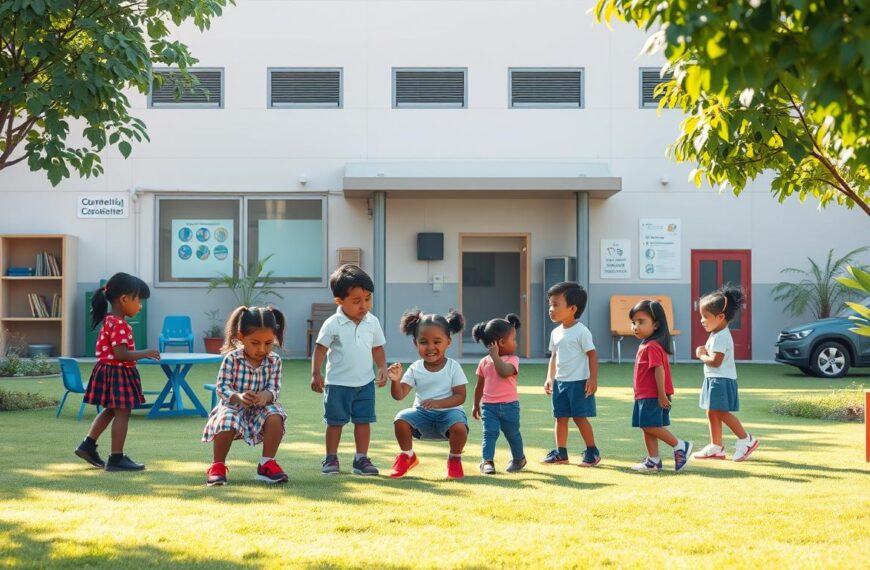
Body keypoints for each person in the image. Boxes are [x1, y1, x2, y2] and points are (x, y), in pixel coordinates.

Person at [74, 273, 159, 472]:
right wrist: (145, 353)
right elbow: (121, 354)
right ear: (124, 299)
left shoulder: (110, 320)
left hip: (108, 370)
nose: (140, 306)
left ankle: (87, 445)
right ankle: (117, 458)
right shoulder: (120, 324)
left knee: (111, 409)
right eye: (138, 300)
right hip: (117, 372)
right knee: (123, 412)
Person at [311, 264, 388, 476]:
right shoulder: (332, 323)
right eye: (356, 301)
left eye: (367, 299)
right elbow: (320, 349)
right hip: (337, 384)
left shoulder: (372, 322)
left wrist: (382, 367)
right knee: (335, 423)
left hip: (365, 383)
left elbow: (378, 347)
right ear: (339, 301)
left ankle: (361, 459)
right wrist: (316, 373)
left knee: (363, 422)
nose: (364, 306)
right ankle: (331, 458)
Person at [203, 306, 289, 486]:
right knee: (226, 419)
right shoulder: (232, 359)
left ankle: (267, 464)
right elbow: (222, 387)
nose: (262, 349)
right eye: (255, 343)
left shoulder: (274, 361)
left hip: (261, 409)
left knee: (276, 416)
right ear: (241, 337)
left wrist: (266, 395)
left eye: (268, 343)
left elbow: (274, 388)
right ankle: (217, 466)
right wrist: (238, 396)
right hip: (234, 406)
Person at [388, 309, 468, 479]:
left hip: (449, 413)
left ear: (448, 342)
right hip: (422, 414)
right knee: (401, 418)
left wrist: (438, 404)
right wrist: (395, 380)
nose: (430, 347)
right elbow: (399, 395)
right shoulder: (415, 368)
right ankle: (407, 456)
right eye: (424, 342)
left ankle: (454, 459)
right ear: (415, 344)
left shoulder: (453, 367)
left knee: (460, 427)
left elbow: (460, 396)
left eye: (437, 341)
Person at [694, 285, 759, 462]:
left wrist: (701, 355)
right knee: (711, 412)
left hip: (720, 380)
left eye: (705, 316)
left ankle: (746, 439)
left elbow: (716, 361)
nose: (701, 320)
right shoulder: (716, 333)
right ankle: (716, 447)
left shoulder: (721, 336)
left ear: (720, 317)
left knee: (720, 412)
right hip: (714, 379)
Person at [628, 300, 693, 473]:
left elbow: (659, 370)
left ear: (656, 324)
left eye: (641, 322)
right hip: (644, 395)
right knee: (646, 426)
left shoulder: (652, 346)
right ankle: (653, 460)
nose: (635, 326)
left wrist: (661, 394)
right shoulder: (646, 344)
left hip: (653, 395)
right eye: (633, 322)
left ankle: (680, 445)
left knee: (650, 426)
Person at [541, 282, 601, 467]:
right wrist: (549, 377)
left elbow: (592, 355)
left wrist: (592, 379)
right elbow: (554, 356)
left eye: (556, 304)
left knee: (579, 418)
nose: (551, 309)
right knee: (560, 417)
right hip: (560, 383)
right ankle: (561, 453)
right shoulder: (555, 332)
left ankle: (592, 451)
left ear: (573, 308)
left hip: (579, 383)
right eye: (550, 304)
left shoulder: (582, 332)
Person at [471, 313, 526, 474]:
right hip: (489, 407)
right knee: (490, 433)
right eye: (513, 339)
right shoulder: (484, 362)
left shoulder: (513, 360)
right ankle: (487, 461)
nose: (515, 343)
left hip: (510, 406)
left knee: (512, 434)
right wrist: (476, 404)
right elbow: (479, 385)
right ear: (501, 342)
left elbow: (504, 372)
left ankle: (518, 458)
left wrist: (495, 357)